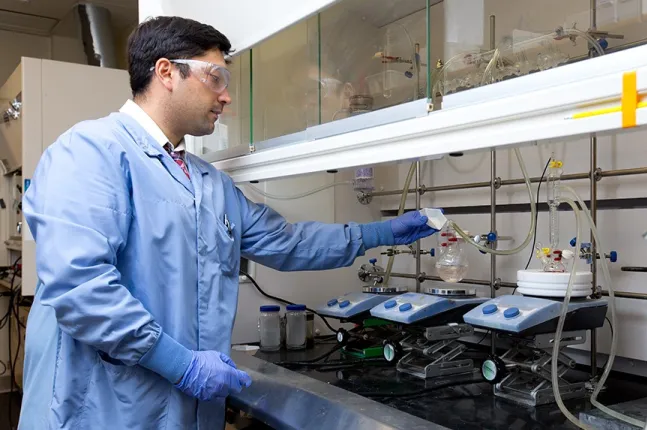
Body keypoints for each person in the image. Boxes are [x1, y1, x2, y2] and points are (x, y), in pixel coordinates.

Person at [19, 16, 437, 430]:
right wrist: (181, 365)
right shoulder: (90, 152)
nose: (226, 97)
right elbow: (81, 288)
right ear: (166, 72)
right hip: (102, 410)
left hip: (185, 410)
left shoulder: (208, 182)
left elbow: (287, 243)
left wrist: (382, 233)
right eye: (215, 77)